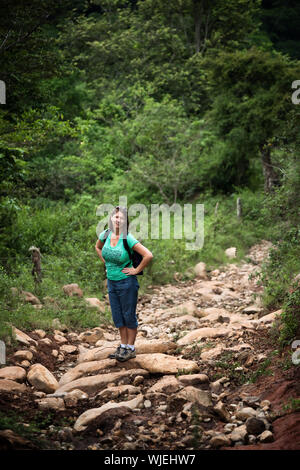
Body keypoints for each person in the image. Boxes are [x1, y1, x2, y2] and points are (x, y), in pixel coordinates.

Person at [95, 206, 153, 362]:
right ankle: (123, 346)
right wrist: (106, 263)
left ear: (125, 221)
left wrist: (136, 270)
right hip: (111, 282)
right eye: (115, 217)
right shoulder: (105, 234)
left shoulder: (128, 238)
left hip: (127, 282)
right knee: (118, 316)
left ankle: (130, 348)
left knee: (128, 315)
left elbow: (148, 255)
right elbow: (97, 247)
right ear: (111, 218)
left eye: (121, 218)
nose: (117, 220)